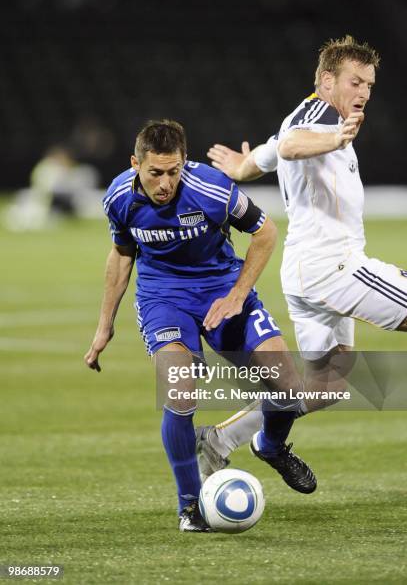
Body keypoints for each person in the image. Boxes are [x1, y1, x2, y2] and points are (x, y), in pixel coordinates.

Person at [84, 119, 317, 533]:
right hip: (164, 299)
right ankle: (190, 506)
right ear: (135, 163)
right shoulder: (119, 197)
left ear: (184, 163)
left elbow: (265, 233)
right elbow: (122, 254)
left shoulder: (211, 189)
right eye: (156, 172)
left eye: (174, 171)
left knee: (288, 388)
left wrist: (236, 295)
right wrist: (105, 326)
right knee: (180, 386)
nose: (165, 183)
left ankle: (272, 446)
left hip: (224, 289)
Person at [198, 35, 407, 476]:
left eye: (369, 84)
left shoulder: (316, 118)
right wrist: (335, 139)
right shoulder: (320, 117)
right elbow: (291, 144)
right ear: (327, 80)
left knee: (327, 385)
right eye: (355, 81)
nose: (364, 92)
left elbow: (273, 152)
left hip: (306, 273)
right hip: (333, 267)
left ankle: (229, 439)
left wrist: (241, 168)